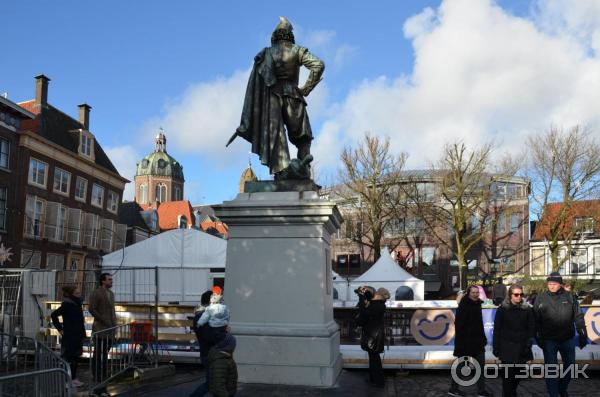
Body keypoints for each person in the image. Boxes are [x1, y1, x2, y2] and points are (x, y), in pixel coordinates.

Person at [232, 16, 325, 179]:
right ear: (290, 35)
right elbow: (318, 65)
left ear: (275, 36)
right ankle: (304, 173)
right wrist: (306, 88)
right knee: (303, 138)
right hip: (294, 96)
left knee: (275, 136)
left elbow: (255, 85)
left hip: (272, 99)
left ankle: (280, 172)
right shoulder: (297, 50)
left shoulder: (267, 53)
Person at [533, 272, 588, 397]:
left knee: (571, 367)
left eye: (554, 284)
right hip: (549, 340)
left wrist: (583, 333)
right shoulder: (540, 298)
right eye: (549, 283)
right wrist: (537, 337)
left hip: (567, 339)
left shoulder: (569, 297)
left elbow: (578, 316)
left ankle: (561, 388)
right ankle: (553, 394)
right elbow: (535, 319)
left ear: (560, 284)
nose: (551, 286)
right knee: (551, 370)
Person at [449, 285, 491, 397]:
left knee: (480, 367)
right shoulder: (463, 305)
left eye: (477, 292)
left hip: (478, 342)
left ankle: (481, 391)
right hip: (465, 343)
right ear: (468, 293)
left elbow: (479, 324)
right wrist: (463, 341)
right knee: (460, 366)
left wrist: (483, 338)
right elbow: (458, 324)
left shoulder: (478, 304)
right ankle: (453, 389)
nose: (476, 294)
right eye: (473, 292)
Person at [493, 284, 535, 397]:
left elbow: (531, 329)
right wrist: (496, 349)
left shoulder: (527, 309)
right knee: (507, 381)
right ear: (510, 295)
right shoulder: (502, 309)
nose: (519, 297)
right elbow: (497, 330)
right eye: (516, 294)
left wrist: (528, 345)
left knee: (518, 377)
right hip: (506, 349)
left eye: (521, 294)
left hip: (522, 349)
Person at [51, 285, 86, 388]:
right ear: (72, 294)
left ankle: (73, 378)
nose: (80, 295)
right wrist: (60, 329)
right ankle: (68, 380)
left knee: (75, 358)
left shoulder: (77, 303)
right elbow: (54, 315)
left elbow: (79, 321)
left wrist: (82, 333)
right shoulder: (67, 304)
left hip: (78, 335)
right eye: (77, 293)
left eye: (79, 293)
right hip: (70, 336)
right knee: (69, 358)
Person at [355, 286, 389, 388]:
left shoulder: (377, 305)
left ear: (380, 295)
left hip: (373, 336)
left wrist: (362, 297)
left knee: (375, 359)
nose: (375, 293)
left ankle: (378, 381)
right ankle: (374, 379)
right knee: (374, 358)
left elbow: (364, 313)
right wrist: (362, 295)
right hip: (374, 335)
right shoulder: (378, 304)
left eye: (377, 292)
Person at [88, 273, 117, 387]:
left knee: (105, 352)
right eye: (109, 280)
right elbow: (92, 308)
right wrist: (102, 319)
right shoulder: (96, 293)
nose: (111, 281)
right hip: (100, 328)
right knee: (98, 352)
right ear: (103, 281)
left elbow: (112, 310)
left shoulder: (111, 293)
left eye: (111, 279)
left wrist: (114, 323)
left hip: (110, 328)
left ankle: (104, 373)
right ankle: (96, 375)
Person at [190, 290, 215, 397]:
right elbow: (208, 337)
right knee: (211, 384)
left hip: (210, 352)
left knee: (216, 383)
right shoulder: (202, 317)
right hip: (209, 353)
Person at [207, 332, 238, 397]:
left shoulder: (226, 357)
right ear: (229, 346)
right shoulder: (220, 362)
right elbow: (219, 385)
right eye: (234, 344)